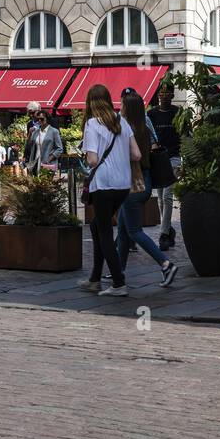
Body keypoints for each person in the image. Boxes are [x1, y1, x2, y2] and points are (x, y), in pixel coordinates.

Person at [79, 85, 140, 298]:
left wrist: (88, 157)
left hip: (103, 183)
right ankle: (95, 279)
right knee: (97, 226)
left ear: (90, 102)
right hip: (123, 184)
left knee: (104, 231)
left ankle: (118, 282)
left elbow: (93, 159)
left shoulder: (92, 124)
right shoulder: (122, 121)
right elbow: (137, 154)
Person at [117, 93, 178, 287]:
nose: (120, 107)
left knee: (134, 231)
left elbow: (130, 156)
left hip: (133, 184)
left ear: (127, 108)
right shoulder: (145, 126)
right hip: (146, 181)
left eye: (122, 104)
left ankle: (165, 264)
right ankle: (118, 271)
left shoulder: (126, 129)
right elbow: (153, 148)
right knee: (123, 229)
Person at [148, 83, 181, 251]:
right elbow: (147, 135)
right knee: (161, 198)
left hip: (174, 157)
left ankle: (163, 234)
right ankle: (169, 229)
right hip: (158, 159)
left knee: (168, 196)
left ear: (173, 95)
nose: (164, 95)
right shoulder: (151, 114)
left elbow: (184, 135)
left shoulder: (178, 112)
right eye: (161, 92)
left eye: (167, 92)